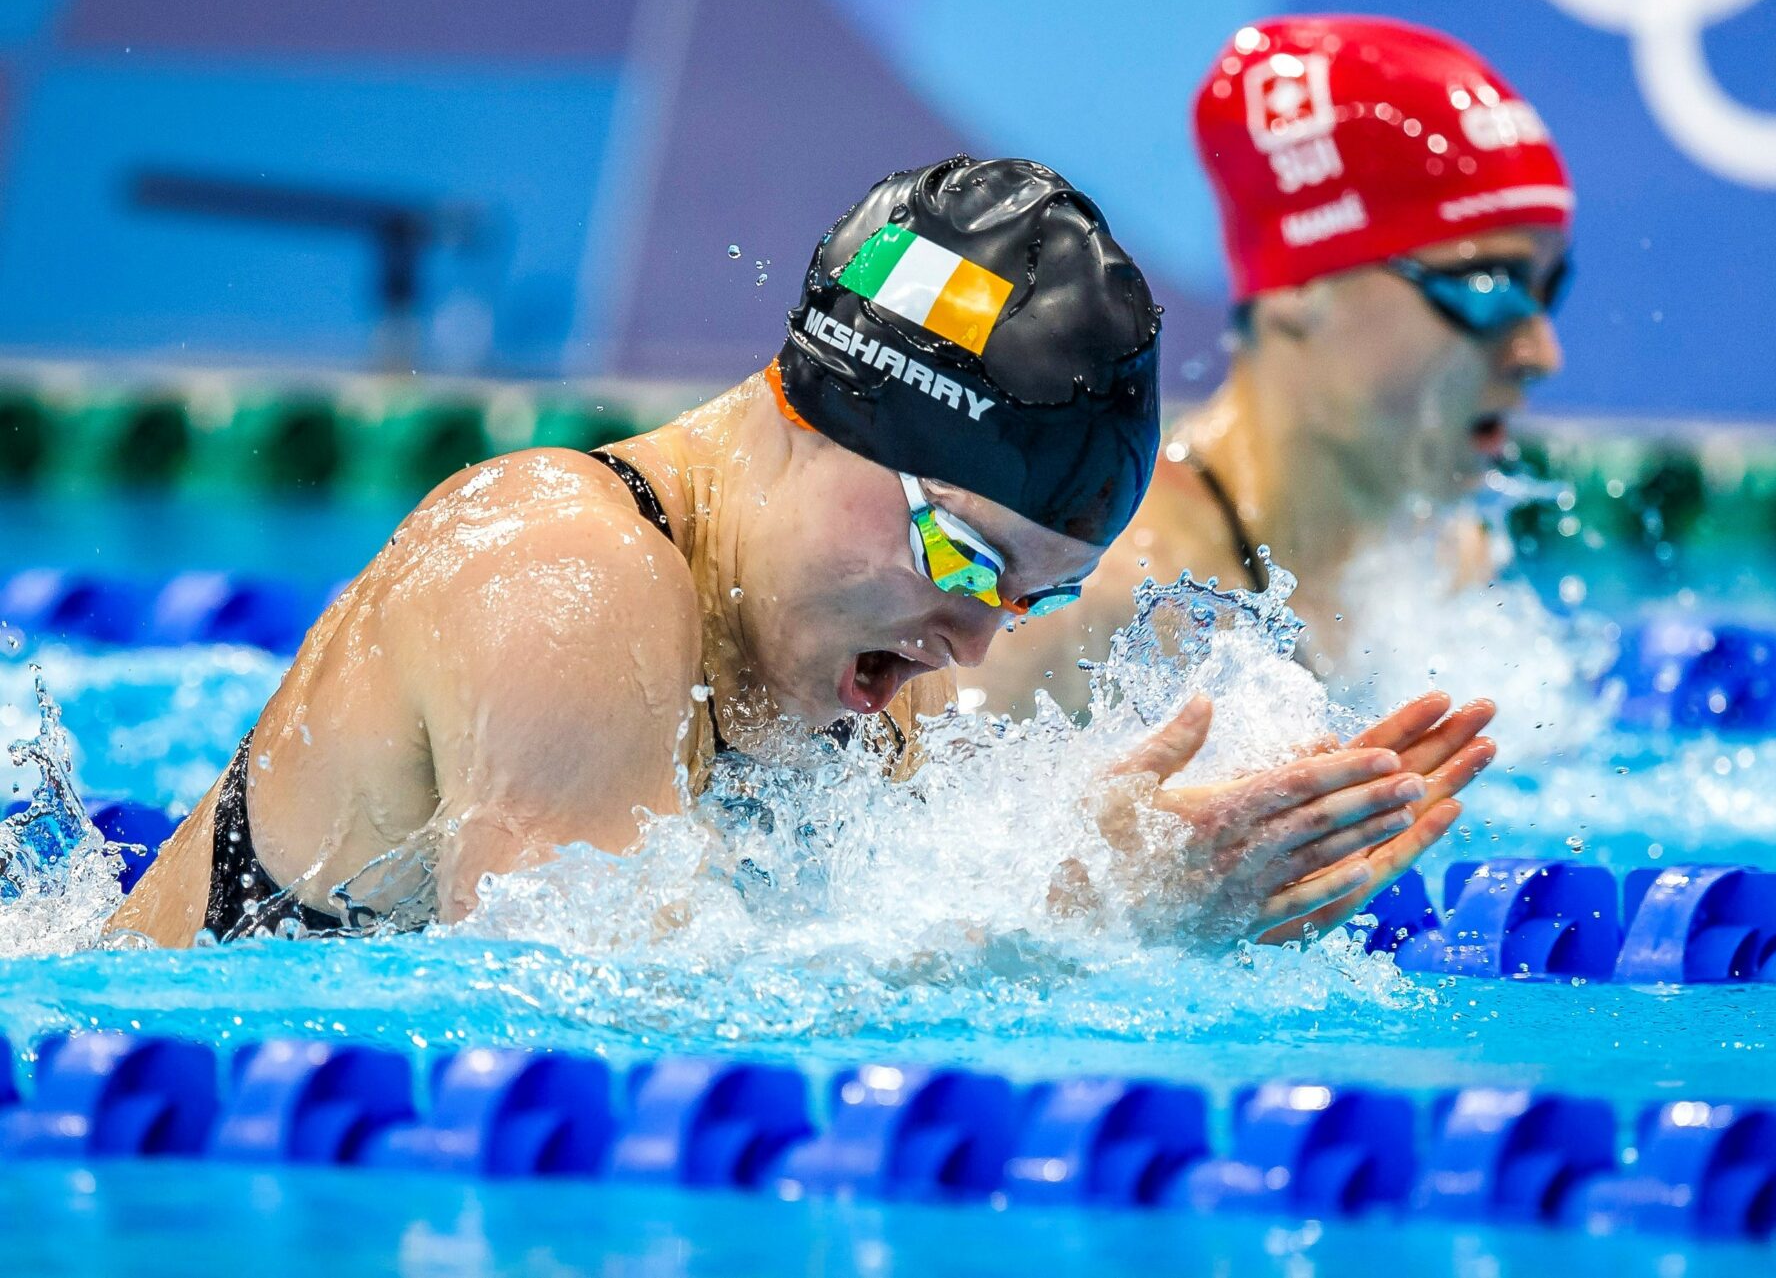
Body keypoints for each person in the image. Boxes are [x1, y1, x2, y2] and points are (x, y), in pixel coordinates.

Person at [110, 155, 1494, 947]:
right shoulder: (563, 576)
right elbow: (571, 1030)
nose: (977, 644)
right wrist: (1070, 922)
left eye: (1036, 594)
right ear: (826, 414)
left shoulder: (843, 675)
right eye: (965, 560)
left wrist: (1172, 907)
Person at [959, 17, 1573, 870]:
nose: (1541, 351)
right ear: (1300, 287)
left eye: (1550, 287)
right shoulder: (1091, 597)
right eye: (1487, 287)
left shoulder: (1451, 559)